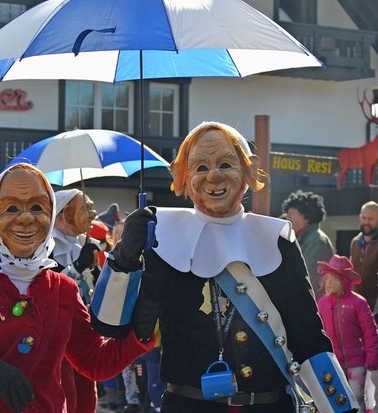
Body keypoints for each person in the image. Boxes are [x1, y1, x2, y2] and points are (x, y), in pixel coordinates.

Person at [91, 121, 358, 412]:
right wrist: (124, 258)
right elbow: (110, 325)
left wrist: (343, 408)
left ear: (248, 170)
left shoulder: (276, 237)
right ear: (181, 175)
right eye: (201, 167)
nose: (214, 176)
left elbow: (308, 337)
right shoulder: (163, 236)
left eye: (226, 164)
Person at [0, 163, 154, 413]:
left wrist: (140, 335)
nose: (25, 218)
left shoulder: (64, 289)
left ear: (51, 215)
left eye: (37, 207)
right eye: (12, 208)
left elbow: (94, 362)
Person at [52, 188, 101, 413]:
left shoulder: (84, 245)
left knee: (86, 400)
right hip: (57, 337)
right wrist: (78, 268)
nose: (92, 213)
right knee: (66, 399)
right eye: (85, 208)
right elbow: (48, 288)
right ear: (62, 215)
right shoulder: (47, 247)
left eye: (91, 207)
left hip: (84, 333)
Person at [317, 255, 378, 412]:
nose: (329, 283)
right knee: (336, 400)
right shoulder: (322, 304)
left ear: (343, 281)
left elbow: (370, 333)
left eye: (334, 279)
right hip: (333, 362)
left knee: (358, 399)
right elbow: (318, 332)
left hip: (357, 363)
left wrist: (372, 359)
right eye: (327, 278)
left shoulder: (358, 303)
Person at [281, 190, 334, 295]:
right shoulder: (301, 237)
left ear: (306, 217)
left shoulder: (316, 240)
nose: (287, 217)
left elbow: (310, 277)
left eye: (292, 213)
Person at [350, 201, 378, 315]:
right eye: (364, 218)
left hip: (374, 307)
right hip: (355, 306)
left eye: (370, 219)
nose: (366, 222)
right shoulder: (355, 242)